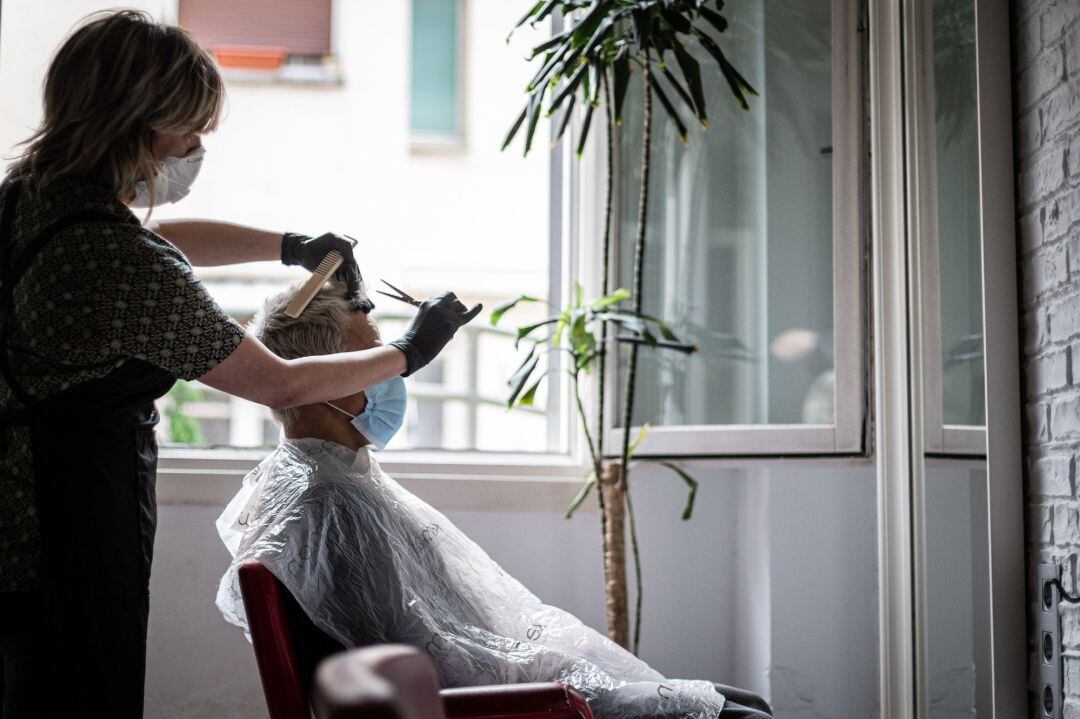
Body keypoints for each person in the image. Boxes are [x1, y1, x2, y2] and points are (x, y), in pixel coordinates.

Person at [0, 10, 479, 718]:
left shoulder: (31, 196)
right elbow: (274, 381)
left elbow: (155, 239)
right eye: (189, 130)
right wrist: (408, 352)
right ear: (136, 123)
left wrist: (289, 245)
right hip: (65, 535)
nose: (197, 146)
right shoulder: (115, 261)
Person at [216, 284, 772, 719]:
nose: (393, 371)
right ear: (322, 379)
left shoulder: (317, 480)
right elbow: (431, 662)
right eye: (374, 356)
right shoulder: (329, 504)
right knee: (745, 713)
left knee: (738, 703)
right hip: (506, 705)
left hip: (511, 684)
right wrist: (561, 675)